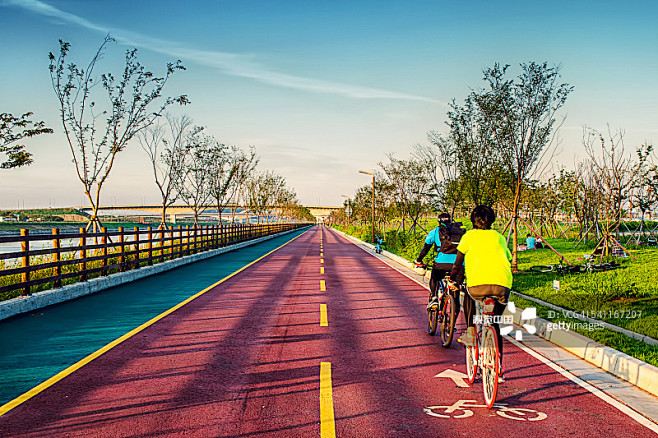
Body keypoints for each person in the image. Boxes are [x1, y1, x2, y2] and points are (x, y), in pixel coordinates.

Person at [451, 205, 511, 382]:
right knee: (495, 323)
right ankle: (498, 366)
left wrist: (455, 280)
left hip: (478, 287)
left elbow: (458, 263)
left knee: (468, 294)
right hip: (502, 286)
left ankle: (470, 331)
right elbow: (507, 258)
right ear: (492, 220)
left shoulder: (468, 236)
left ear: (472, 219)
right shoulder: (499, 237)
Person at [414, 212, 465, 311]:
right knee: (456, 295)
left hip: (441, 264)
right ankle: (452, 324)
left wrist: (418, 260)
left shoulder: (435, 231)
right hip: (458, 265)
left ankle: (434, 298)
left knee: (434, 277)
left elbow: (426, 248)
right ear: (451, 221)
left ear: (438, 222)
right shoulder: (460, 232)